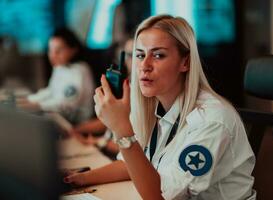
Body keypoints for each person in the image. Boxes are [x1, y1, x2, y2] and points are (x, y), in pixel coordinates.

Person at [65, 15, 256, 200]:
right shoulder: (157, 108)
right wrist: (78, 179)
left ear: (185, 62)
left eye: (158, 55)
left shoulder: (212, 120)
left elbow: (159, 197)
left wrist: (122, 131)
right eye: (139, 55)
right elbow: (130, 165)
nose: (144, 65)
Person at [68, 37, 134, 158]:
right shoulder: (127, 84)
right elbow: (108, 121)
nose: (133, 60)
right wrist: (76, 129)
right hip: (110, 148)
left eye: (139, 55)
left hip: (119, 156)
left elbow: (138, 148)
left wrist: (99, 142)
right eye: (129, 54)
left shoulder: (145, 94)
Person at [17, 28, 95, 123]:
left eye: (58, 50)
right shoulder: (60, 67)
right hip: (60, 115)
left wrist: (37, 105)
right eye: (50, 50)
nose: (52, 55)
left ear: (73, 50)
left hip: (75, 122)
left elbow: (67, 104)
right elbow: (51, 91)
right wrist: (28, 99)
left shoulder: (79, 71)